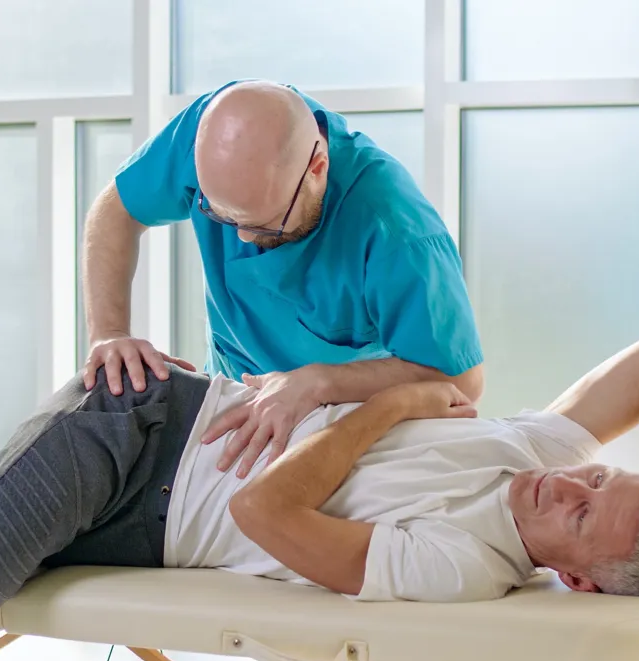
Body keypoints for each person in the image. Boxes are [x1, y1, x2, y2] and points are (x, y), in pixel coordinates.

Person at [0, 321, 639, 641]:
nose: (567, 486)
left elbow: (267, 510)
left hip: (152, 520)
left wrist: (393, 407)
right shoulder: (540, 454)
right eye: (597, 478)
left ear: (575, 580)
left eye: (584, 515)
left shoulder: (464, 564)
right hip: (141, 434)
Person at [81, 78, 485, 481]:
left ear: (318, 168)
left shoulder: (397, 232)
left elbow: (461, 380)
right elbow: (117, 209)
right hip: (231, 394)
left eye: (262, 225)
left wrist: (316, 383)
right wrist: (109, 332)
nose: (239, 237)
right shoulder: (218, 129)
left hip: (344, 427)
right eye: (220, 214)